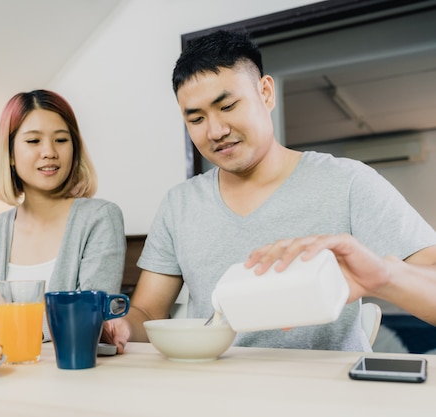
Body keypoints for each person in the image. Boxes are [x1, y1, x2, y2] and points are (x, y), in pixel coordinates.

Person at [101, 30, 436, 353]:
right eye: (196, 119)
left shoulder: (348, 182)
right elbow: (147, 313)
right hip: (215, 394)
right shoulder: (180, 204)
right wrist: (120, 326)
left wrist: (386, 279)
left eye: (228, 106)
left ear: (265, 93)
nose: (216, 131)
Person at [0, 89, 126, 342]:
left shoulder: (100, 218)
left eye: (61, 140)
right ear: (10, 155)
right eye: (33, 141)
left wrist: (11, 327)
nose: (49, 151)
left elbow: (92, 318)